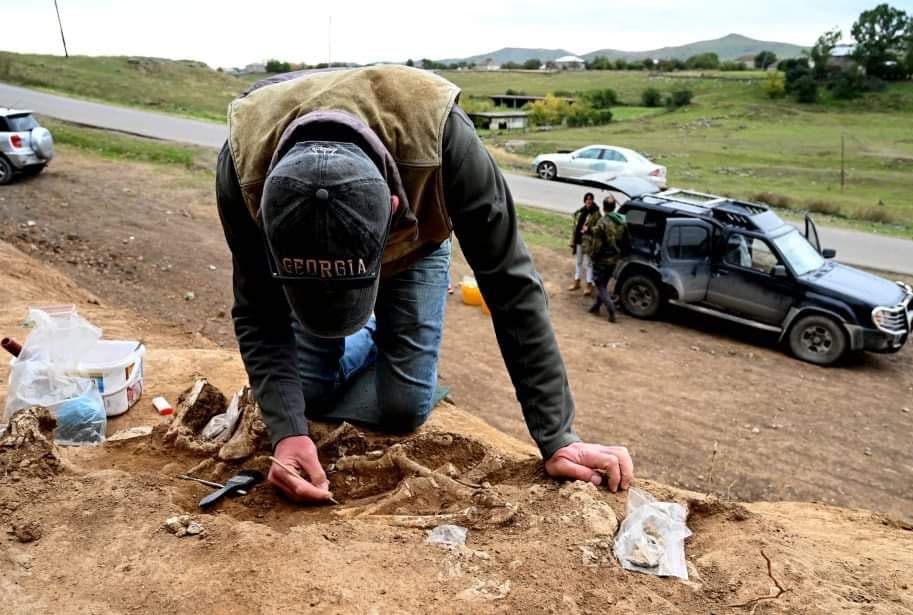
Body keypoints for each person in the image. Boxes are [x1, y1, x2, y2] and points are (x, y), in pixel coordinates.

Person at [215, 65, 633, 503]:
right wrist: (288, 433)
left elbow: (511, 287)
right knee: (308, 395)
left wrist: (558, 436)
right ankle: (368, 330)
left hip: (419, 243)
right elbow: (257, 308)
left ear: (394, 208)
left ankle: (380, 330)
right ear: (263, 212)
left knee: (403, 408)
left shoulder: (444, 140)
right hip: (325, 235)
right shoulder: (244, 164)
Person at [588, 196, 630, 323]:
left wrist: (593, 256)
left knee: (600, 285)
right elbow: (626, 241)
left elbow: (597, 244)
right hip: (614, 259)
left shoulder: (603, 222)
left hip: (602, 259)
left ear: (603, 207)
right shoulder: (622, 221)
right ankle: (595, 307)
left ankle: (611, 309)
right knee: (604, 284)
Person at [569, 193, 600, 296]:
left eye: (590, 199)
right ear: (584, 200)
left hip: (589, 242)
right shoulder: (581, 211)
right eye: (587, 199)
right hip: (579, 240)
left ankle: (589, 285)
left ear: (593, 200)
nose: (588, 201)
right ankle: (576, 282)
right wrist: (573, 240)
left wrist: (589, 229)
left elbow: (599, 229)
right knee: (578, 262)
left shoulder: (596, 214)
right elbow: (576, 226)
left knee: (589, 264)